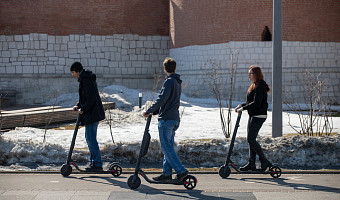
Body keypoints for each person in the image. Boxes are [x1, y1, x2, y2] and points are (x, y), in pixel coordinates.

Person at [143, 57, 189, 182]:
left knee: (166, 147)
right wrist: (155, 111)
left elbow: (162, 99)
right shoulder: (177, 82)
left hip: (167, 119)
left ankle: (181, 171)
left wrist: (149, 110)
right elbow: (169, 101)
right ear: (174, 68)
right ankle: (167, 173)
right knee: (168, 147)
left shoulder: (169, 81)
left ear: (164, 68)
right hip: (174, 118)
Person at [235, 65, 272, 171]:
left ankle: (264, 161)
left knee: (251, 139)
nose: (249, 76)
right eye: (248, 74)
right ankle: (252, 163)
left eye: (250, 73)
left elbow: (256, 103)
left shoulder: (260, 86)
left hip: (259, 115)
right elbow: (249, 102)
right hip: (253, 115)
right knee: (251, 140)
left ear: (256, 74)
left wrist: (244, 108)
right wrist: (241, 106)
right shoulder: (254, 86)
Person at [70, 62, 105, 172]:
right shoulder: (85, 79)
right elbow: (86, 97)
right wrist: (79, 105)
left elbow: (91, 99)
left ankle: (97, 164)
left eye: (73, 73)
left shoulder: (85, 80)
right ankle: (94, 162)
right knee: (90, 138)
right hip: (92, 113)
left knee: (91, 139)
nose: (72, 75)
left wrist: (83, 109)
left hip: (92, 114)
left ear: (77, 71)